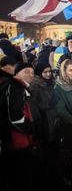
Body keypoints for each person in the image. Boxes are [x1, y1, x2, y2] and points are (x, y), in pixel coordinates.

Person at [0, 62, 41, 191]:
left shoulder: (21, 87)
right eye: (26, 71)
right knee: (20, 176)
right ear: (17, 73)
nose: (30, 75)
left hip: (21, 140)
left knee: (23, 175)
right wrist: (31, 129)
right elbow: (14, 117)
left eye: (32, 73)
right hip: (17, 141)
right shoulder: (14, 87)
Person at [29, 62, 59, 190]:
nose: (48, 74)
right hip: (44, 121)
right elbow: (34, 105)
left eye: (49, 71)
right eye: (45, 72)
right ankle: (48, 180)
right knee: (46, 152)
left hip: (53, 119)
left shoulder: (52, 83)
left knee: (54, 151)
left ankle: (55, 177)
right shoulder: (35, 85)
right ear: (39, 73)